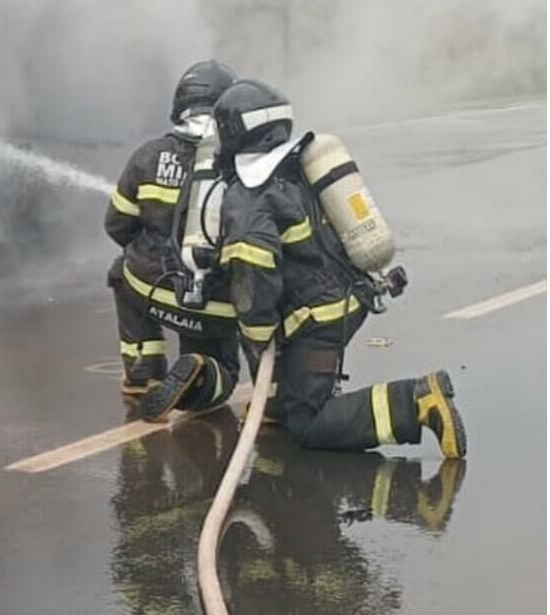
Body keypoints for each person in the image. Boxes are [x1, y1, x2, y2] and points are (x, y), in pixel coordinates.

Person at [144, 78, 466, 455]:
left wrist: (256, 331)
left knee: (309, 422)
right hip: (348, 296)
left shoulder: (248, 199)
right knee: (288, 382)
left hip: (318, 319)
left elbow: (253, 276)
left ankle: (416, 402)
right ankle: (281, 399)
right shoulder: (295, 165)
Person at [104, 60, 241, 406]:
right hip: (215, 306)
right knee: (222, 375)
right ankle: (202, 371)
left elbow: (116, 225)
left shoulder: (147, 157)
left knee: (121, 271)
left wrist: (152, 255)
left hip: (153, 291)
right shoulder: (241, 163)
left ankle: (142, 374)